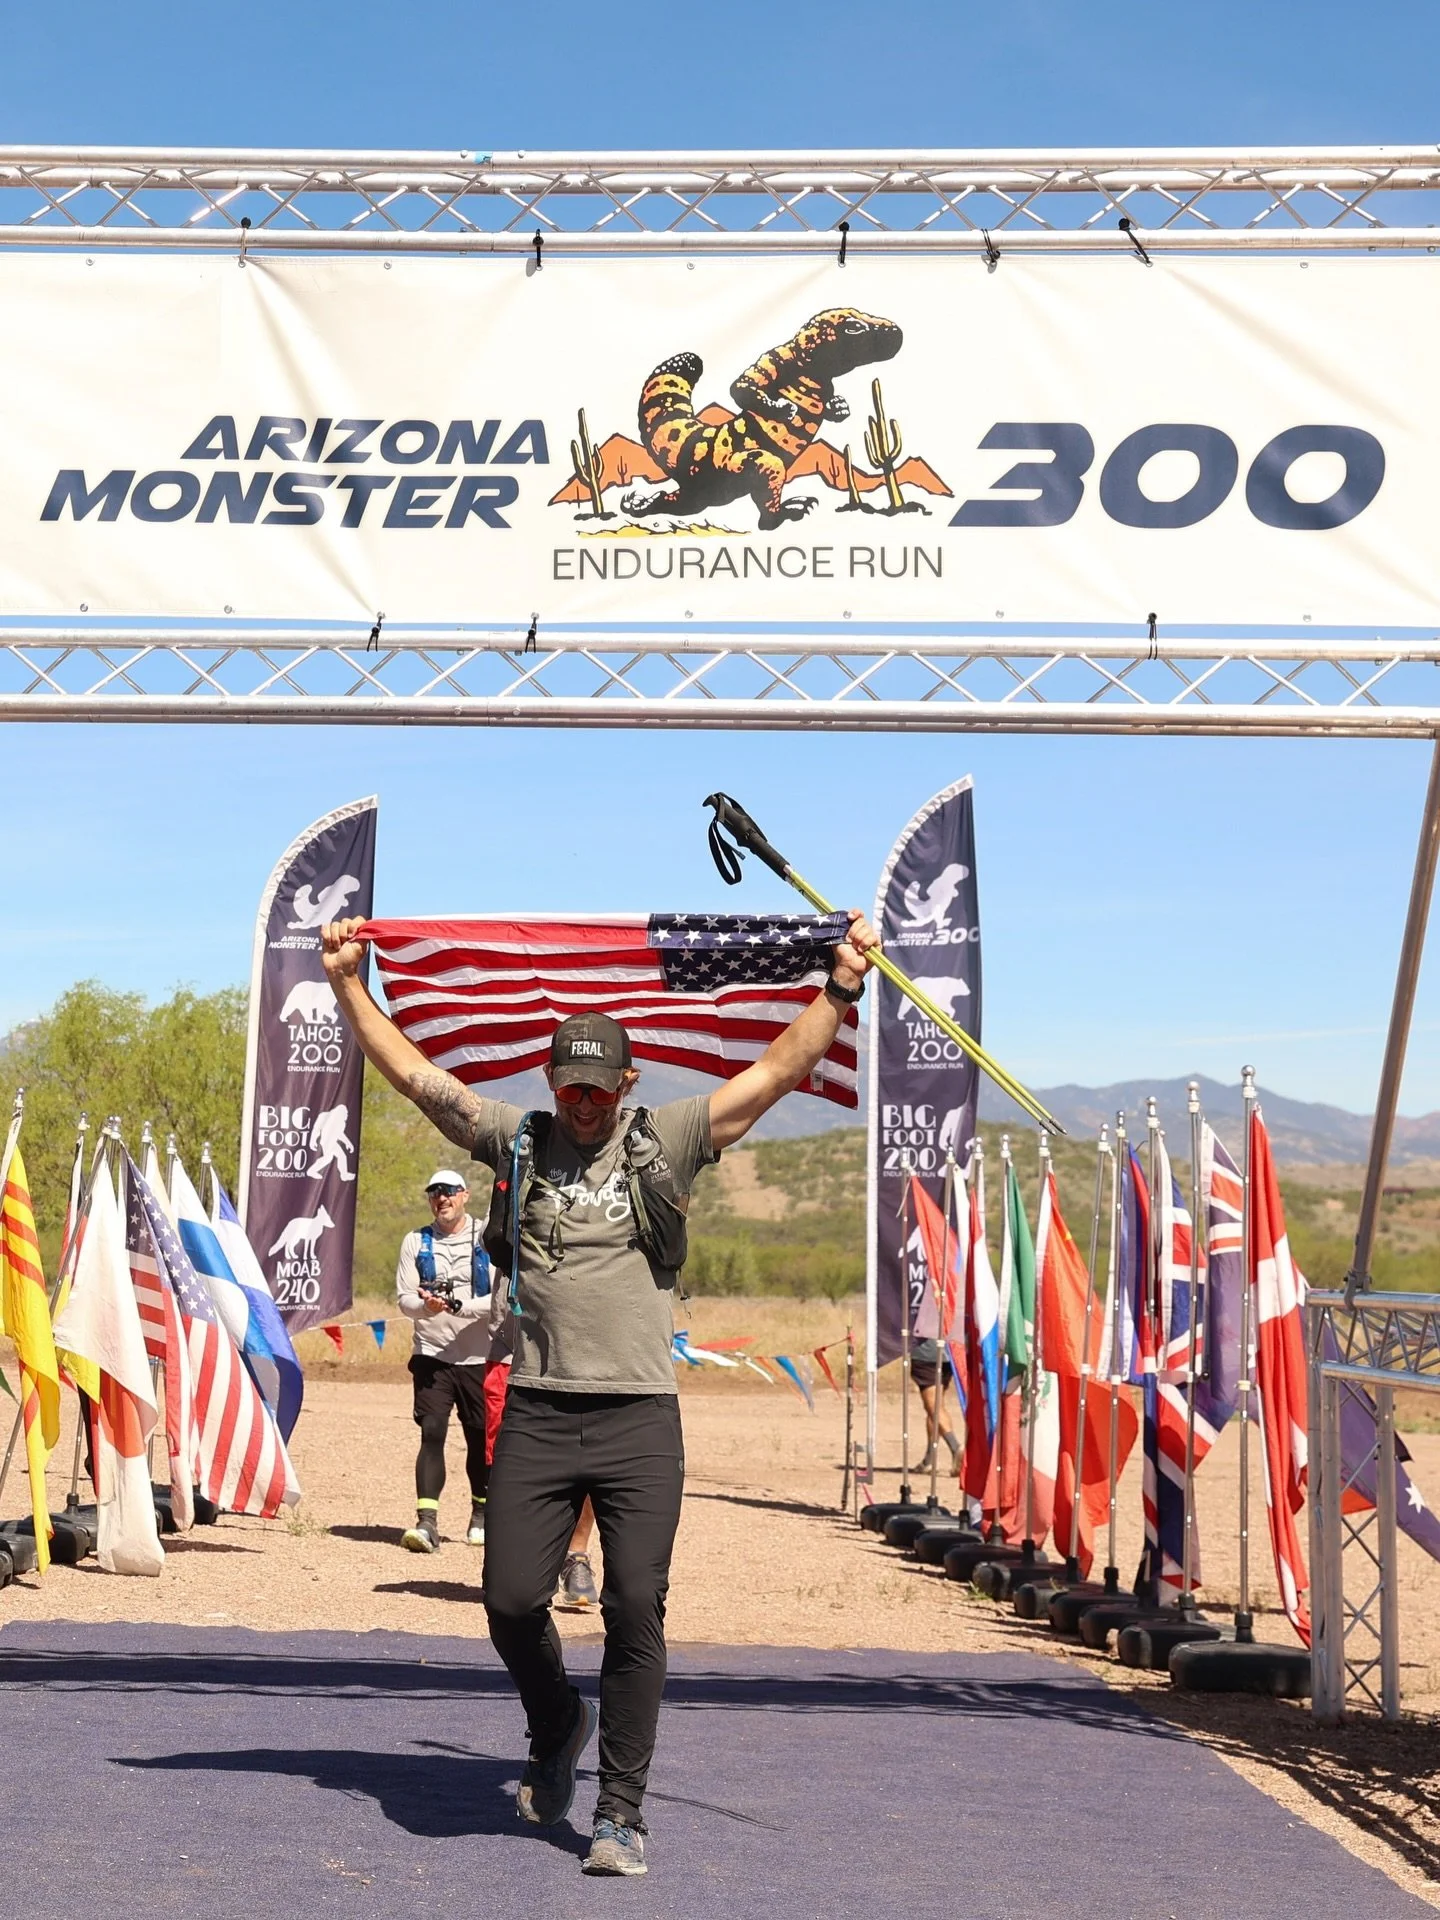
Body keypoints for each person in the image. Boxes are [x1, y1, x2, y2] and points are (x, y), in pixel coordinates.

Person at [322, 908, 877, 1878]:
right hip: (538, 1408)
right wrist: (347, 986)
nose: (583, 1100)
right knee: (506, 1600)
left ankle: (620, 1812)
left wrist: (837, 988)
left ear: (626, 1084)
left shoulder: (667, 1138)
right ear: (552, 1081)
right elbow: (420, 1080)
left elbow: (776, 1072)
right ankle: (558, 1720)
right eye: (569, 1083)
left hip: (637, 1420)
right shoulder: (520, 1141)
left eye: (598, 1085)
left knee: (633, 1604)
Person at [395, 1169, 493, 1553]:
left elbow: (501, 1297)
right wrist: (427, 1307)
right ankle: (427, 1523)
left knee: (479, 1437)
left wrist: (460, 1307)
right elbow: (405, 1299)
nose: (442, 1198)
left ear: (465, 1195)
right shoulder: (415, 1242)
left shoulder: (488, 1237)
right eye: (435, 1192)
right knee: (432, 1431)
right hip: (432, 1355)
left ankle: (481, 1514)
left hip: (480, 1356)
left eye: (450, 1191)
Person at [908, 1340, 960, 1474]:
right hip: (948, 1353)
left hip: (926, 1355)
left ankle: (956, 1448)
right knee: (936, 1406)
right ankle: (928, 1460)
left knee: (933, 1407)